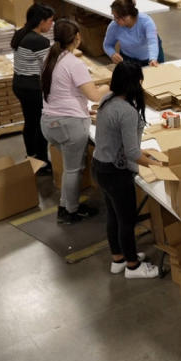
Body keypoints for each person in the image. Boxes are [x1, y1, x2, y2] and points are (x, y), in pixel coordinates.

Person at [92, 61, 160, 279]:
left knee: (114, 216)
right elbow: (132, 153)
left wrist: (141, 151)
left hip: (100, 166)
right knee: (127, 220)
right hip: (116, 172)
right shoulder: (127, 111)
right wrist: (156, 164)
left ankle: (118, 258)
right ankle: (133, 266)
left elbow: (119, 141)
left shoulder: (106, 100)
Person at [41, 19, 108, 224]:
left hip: (48, 122)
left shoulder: (49, 58)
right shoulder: (74, 63)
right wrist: (110, 85)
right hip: (69, 124)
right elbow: (95, 96)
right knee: (73, 170)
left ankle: (65, 205)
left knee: (71, 167)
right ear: (77, 37)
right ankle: (70, 211)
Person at [11, 4, 56, 175]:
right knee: (39, 124)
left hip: (19, 84)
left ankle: (31, 155)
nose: (51, 25)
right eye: (50, 21)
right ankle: (42, 162)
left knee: (30, 122)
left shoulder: (20, 33)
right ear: (41, 21)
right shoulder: (39, 41)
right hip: (32, 88)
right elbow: (47, 69)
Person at [104, 0, 164, 67]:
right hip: (129, 58)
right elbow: (107, 45)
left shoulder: (146, 21)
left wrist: (153, 59)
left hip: (150, 55)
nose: (115, 20)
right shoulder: (114, 26)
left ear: (129, 16)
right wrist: (112, 53)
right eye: (114, 16)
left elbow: (152, 42)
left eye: (118, 18)